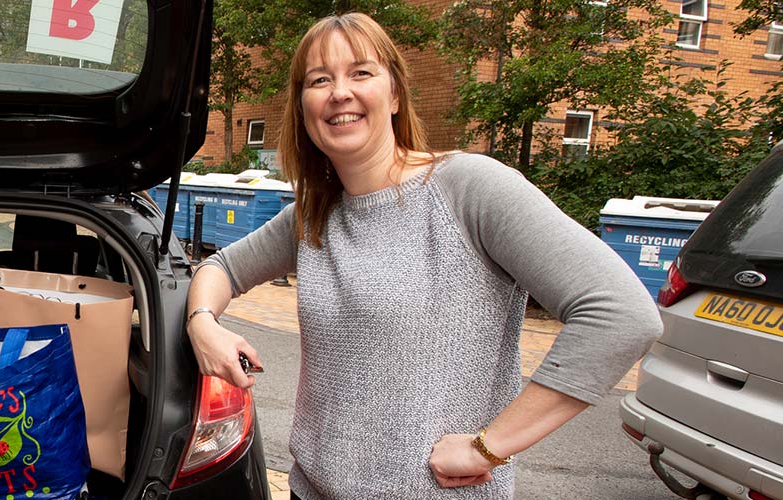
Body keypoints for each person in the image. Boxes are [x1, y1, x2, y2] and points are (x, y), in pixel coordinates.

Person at [183, 13, 661, 500]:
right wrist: (203, 323)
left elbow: (621, 315)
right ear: (303, 107)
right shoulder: (312, 215)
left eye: (361, 73)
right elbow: (221, 268)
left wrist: (490, 446)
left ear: (394, 95)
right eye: (319, 80)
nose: (339, 92)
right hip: (313, 489)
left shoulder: (468, 188)